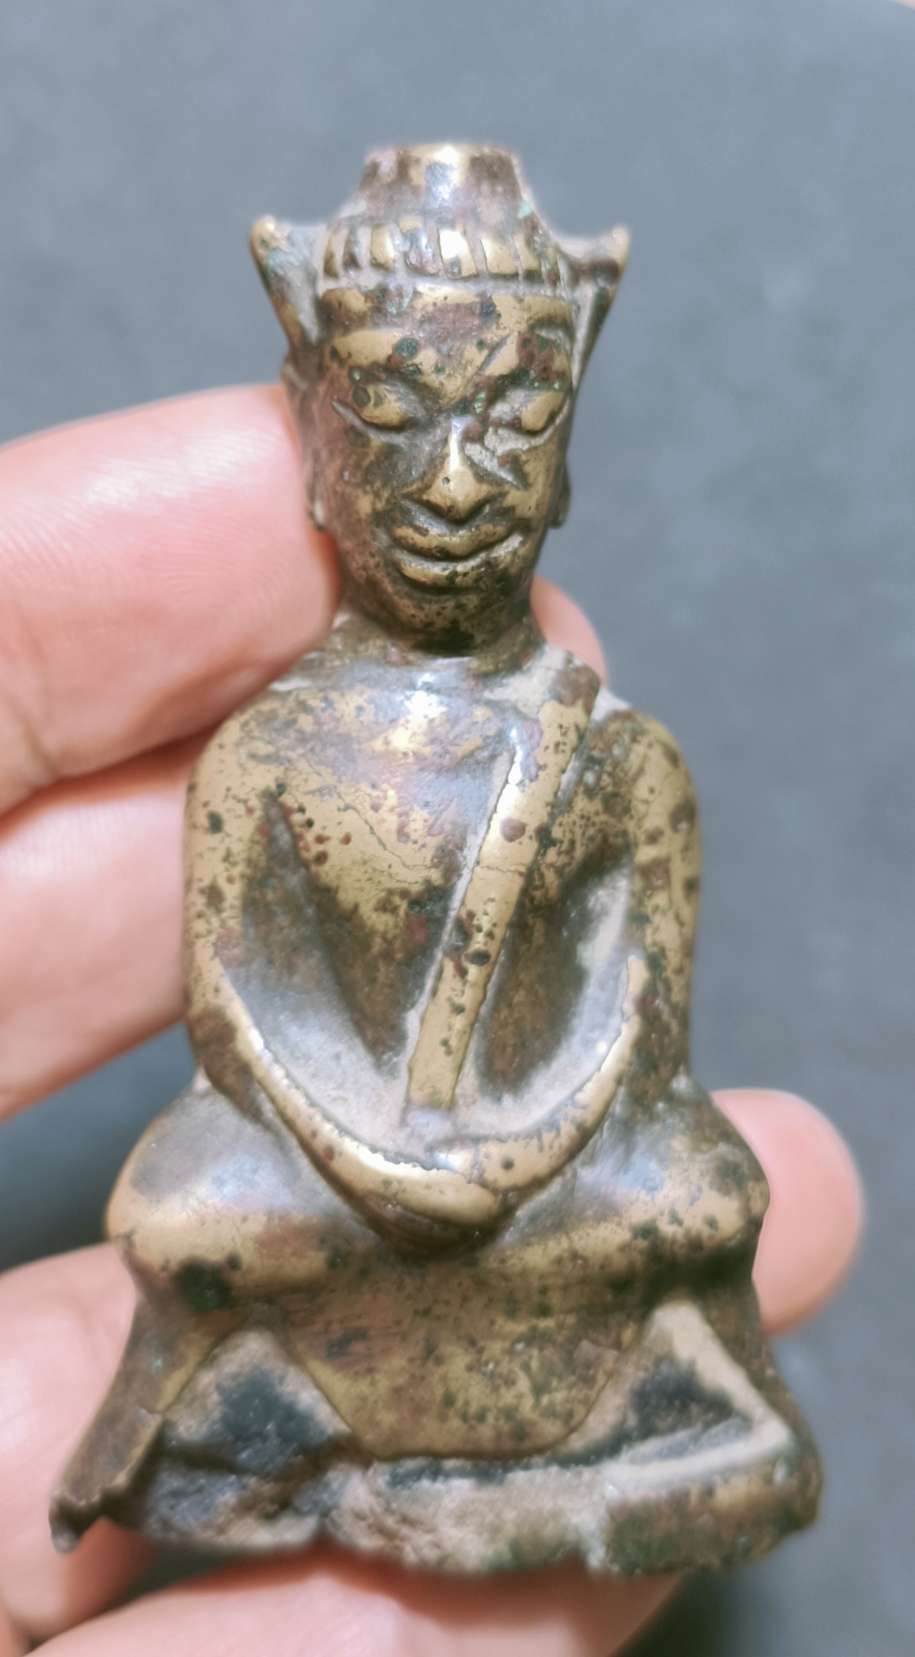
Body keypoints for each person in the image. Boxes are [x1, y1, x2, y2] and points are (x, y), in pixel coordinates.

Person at [0, 384, 861, 1655]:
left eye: (514, 425)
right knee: (177, 1212)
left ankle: (664, 1423)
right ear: (322, 470)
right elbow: (237, 1016)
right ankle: (252, 1434)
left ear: (564, 468)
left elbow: (640, 1023)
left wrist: (522, 1153)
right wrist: (362, 1159)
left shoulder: (621, 758)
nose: (454, 487)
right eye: (395, 421)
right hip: (323, 1151)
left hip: (561, 1154)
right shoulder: (264, 754)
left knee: (704, 1193)